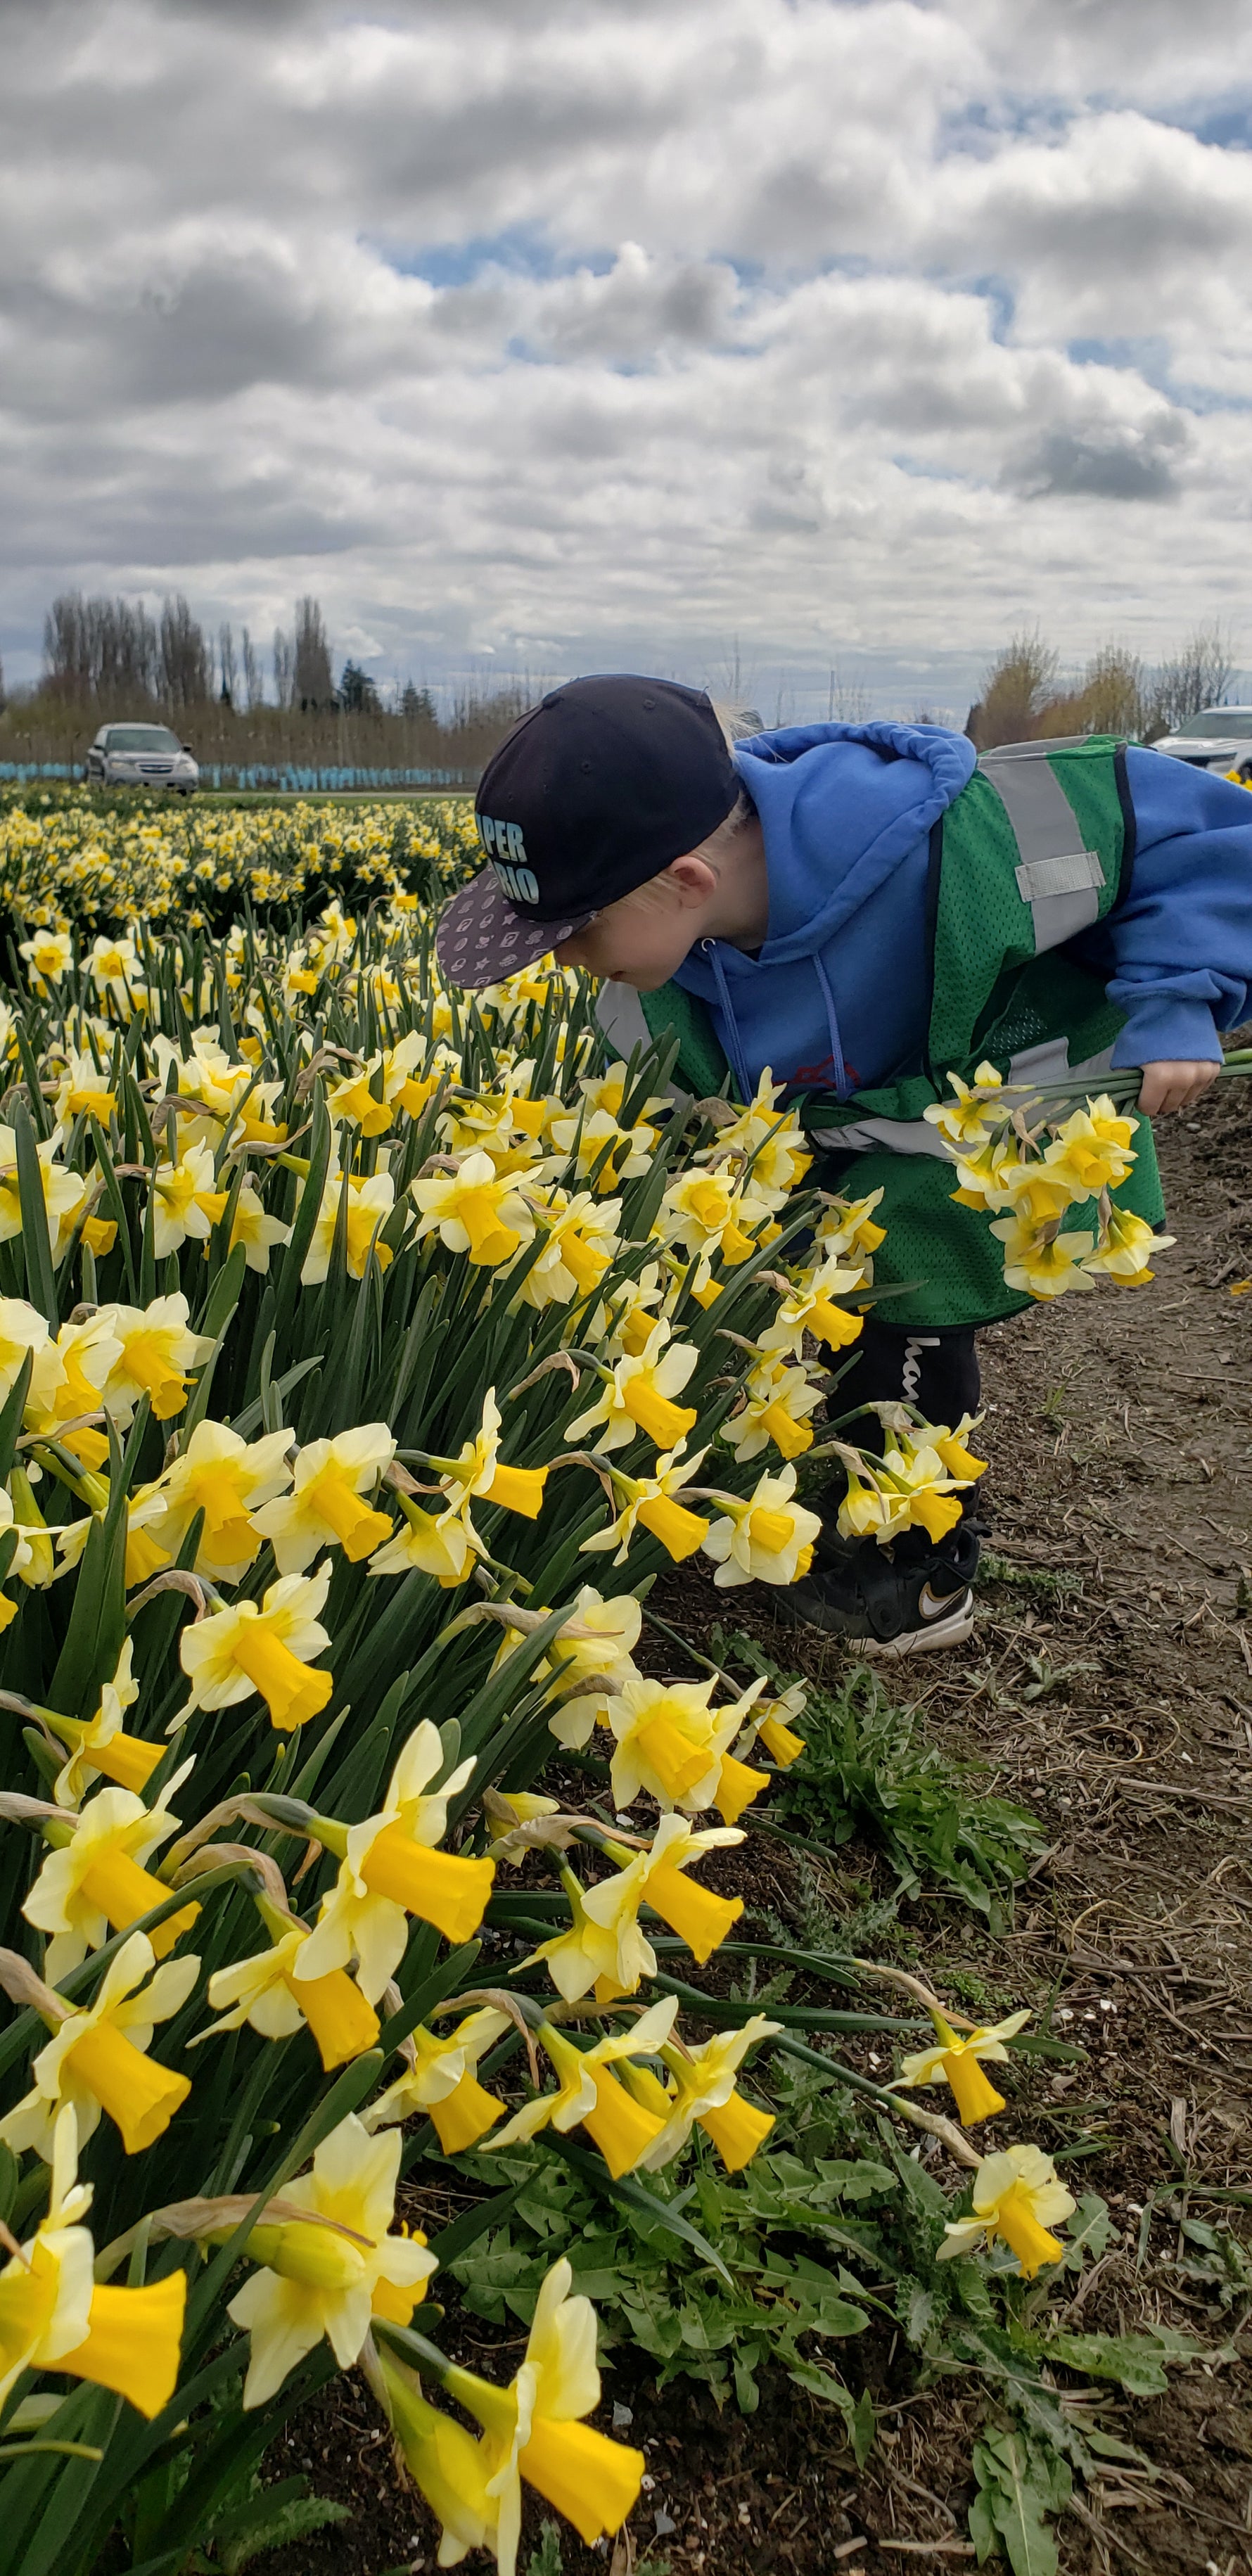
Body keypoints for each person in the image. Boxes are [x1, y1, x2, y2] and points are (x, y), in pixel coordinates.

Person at [435, 675, 1251, 1652]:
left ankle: (915, 1579)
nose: (558, 960)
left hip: (963, 1149)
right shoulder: (646, 974)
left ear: (688, 881)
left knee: (908, 1336)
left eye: (572, 931)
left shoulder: (965, 841)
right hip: (821, 1161)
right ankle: (848, 1497)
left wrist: (1182, 994)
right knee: (832, 1332)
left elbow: (1196, 832)